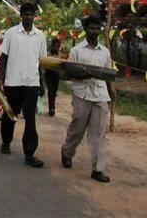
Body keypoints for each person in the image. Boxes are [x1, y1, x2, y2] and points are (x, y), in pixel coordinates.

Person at [0, 2, 46, 168]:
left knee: (30, 118)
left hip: (31, 82)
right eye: (25, 14)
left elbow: (42, 61)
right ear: (21, 15)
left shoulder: (40, 36)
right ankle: (6, 142)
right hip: (13, 81)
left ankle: (29, 153)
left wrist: (42, 83)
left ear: (35, 15)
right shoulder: (11, 33)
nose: (28, 17)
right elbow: (3, 58)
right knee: (10, 114)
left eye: (31, 14)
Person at [60, 16, 116, 183]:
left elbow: (108, 75)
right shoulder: (76, 50)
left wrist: (112, 94)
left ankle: (97, 169)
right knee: (78, 128)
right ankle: (67, 152)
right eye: (91, 28)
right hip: (81, 94)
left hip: (100, 96)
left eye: (97, 28)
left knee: (98, 133)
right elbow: (67, 73)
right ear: (85, 29)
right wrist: (80, 73)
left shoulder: (105, 52)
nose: (94, 31)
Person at [45, 38, 65, 117]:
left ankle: (52, 108)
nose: (56, 47)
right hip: (49, 74)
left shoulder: (59, 55)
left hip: (56, 75)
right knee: (50, 91)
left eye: (58, 46)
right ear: (52, 45)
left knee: (54, 92)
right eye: (55, 45)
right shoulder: (48, 53)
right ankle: (51, 109)